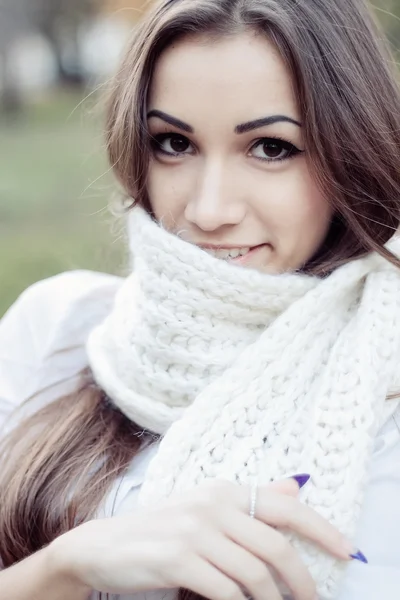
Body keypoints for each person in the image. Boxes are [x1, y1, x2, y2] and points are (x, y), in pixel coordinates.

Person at [1, 0, 400, 599]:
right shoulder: (58, 326)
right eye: (174, 143)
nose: (209, 210)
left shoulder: (384, 392)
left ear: (352, 152)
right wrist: (67, 567)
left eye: (271, 148)